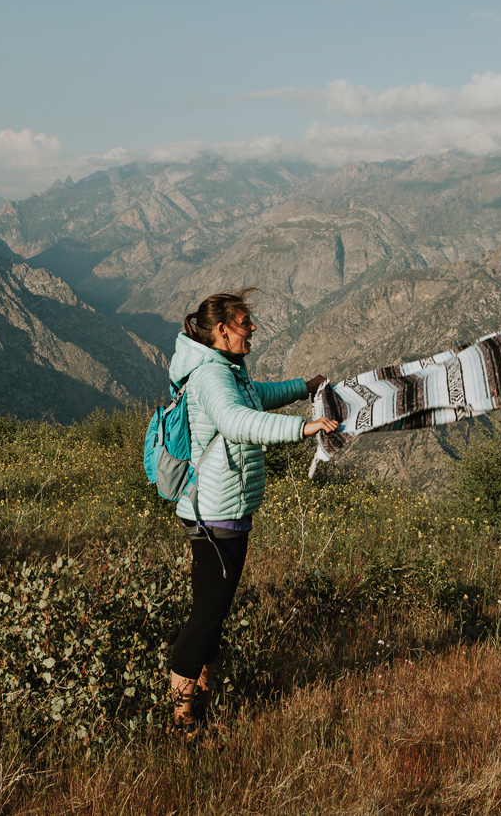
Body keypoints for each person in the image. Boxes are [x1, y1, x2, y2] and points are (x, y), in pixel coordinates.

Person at [165, 289, 337, 733]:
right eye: (245, 322)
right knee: (207, 614)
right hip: (215, 512)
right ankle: (182, 720)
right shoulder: (211, 375)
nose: (253, 328)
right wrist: (304, 427)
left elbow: (255, 397)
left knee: (212, 610)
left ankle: (200, 704)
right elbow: (236, 421)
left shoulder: (226, 369)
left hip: (223, 508)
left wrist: (303, 387)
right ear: (222, 331)